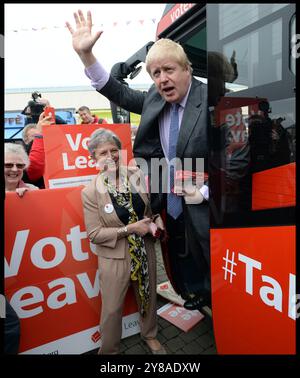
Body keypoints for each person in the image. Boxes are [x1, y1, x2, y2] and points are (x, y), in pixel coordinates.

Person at [67, 10, 210, 311]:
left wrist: (206, 192)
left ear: (188, 69)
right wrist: (87, 56)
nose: (162, 79)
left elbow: (232, 159)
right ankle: (192, 291)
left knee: (204, 247)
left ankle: (218, 296)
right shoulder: (155, 99)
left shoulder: (211, 100)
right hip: (166, 195)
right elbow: (117, 90)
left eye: (169, 70)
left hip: (203, 199)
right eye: (155, 74)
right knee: (178, 248)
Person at [81, 128, 167, 355]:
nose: (110, 156)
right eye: (102, 153)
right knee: (111, 309)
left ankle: (150, 335)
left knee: (148, 296)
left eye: (114, 150)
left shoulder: (135, 175)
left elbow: (148, 210)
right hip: (114, 257)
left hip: (144, 249)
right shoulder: (90, 192)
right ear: (94, 158)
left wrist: (156, 220)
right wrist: (130, 229)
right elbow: (94, 234)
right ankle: (109, 350)